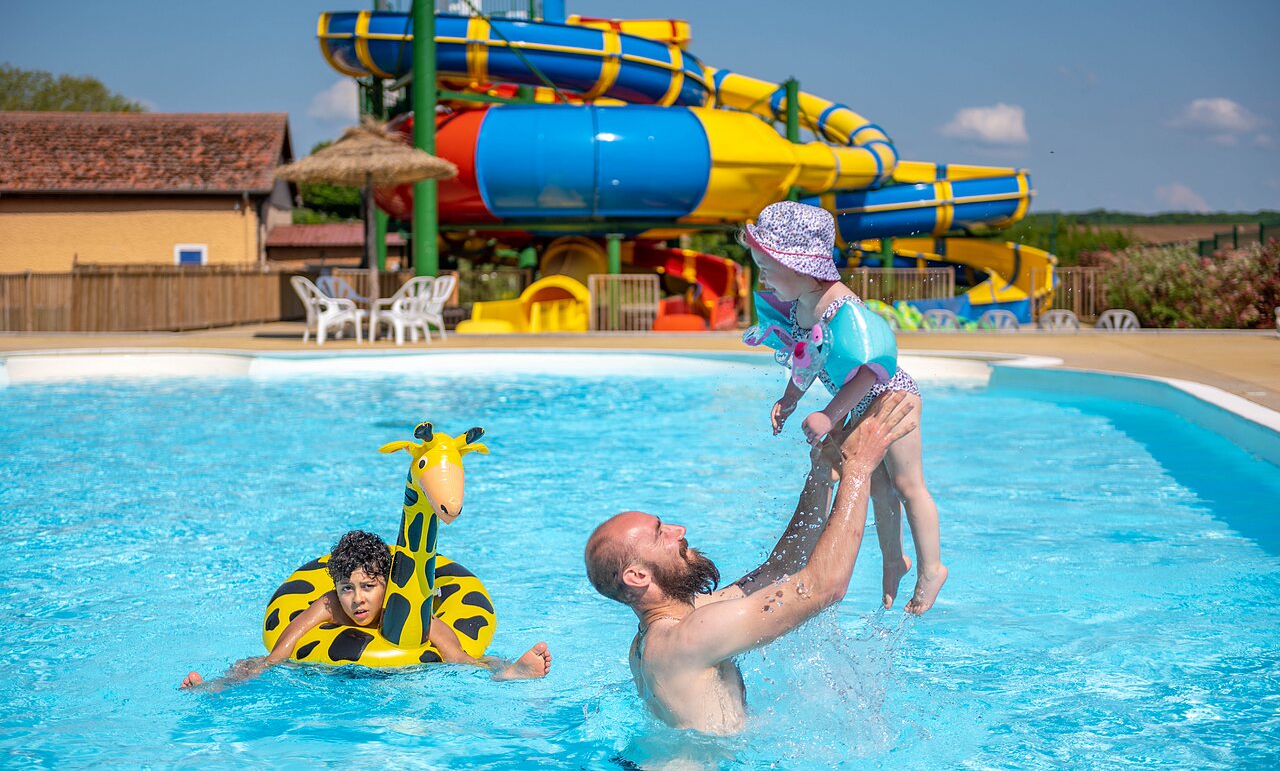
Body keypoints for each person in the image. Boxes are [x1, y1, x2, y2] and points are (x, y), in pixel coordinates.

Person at [584, 392, 919, 735]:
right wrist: (859, 469)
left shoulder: (669, 627)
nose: (679, 531)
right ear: (637, 576)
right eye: (661, 534)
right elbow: (824, 587)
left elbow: (780, 568)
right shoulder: (686, 638)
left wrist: (820, 473)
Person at [742, 200, 947, 614]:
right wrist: (790, 398)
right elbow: (809, 358)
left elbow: (871, 372)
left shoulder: (842, 308)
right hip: (860, 405)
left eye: (766, 265)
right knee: (878, 487)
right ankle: (894, 559)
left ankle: (933, 567)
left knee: (908, 487)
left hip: (893, 399)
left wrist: (829, 414)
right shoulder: (803, 305)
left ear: (799, 265)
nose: (760, 275)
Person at [180, 530, 551, 690]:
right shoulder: (328, 605)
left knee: (468, 660)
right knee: (253, 662)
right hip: (337, 672)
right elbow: (281, 651)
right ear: (336, 588)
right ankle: (213, 687)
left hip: (408, 673)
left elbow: (459, 658)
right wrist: (258, 667)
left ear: (386, 586)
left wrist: (477, 665)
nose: (357, 599)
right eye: (347, 588)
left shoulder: (405, 611)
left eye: (368, 587)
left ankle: (512, 672)